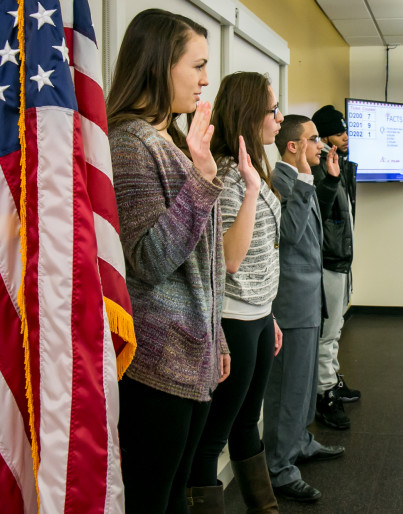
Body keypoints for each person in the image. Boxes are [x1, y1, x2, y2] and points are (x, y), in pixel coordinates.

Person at [107, 9, 229, 513]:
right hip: (156, 362)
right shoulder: (130, 143)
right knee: (153, 502)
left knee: (176, 496)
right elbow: (149, 258)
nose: (205, 79)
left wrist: (217, 335)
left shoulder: (172, 142)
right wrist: (202, 181)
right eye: (197, 66)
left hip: (192, 355)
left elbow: (205, 260)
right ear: (160, 65)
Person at [187, 72, 283, 512]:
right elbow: (230, 258)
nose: (279, 119)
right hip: (234, 320)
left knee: (248, 423)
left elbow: (267, 251)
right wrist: (248, 190)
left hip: (259, 316)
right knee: (213, 439)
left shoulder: (254, 169)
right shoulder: (228, 174)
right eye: (272, 110)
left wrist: (271, 315)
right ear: (249, 114)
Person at [262, 115, 344, 502]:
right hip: (290, 306)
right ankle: (279, 466)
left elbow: (315, 227)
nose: (322, 146)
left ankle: (300, 441)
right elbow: (290, 236)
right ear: (293, 146)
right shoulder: (280, 182)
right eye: (314, 140)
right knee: (286, 391)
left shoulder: (303, 182)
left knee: (305, 386)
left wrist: (325, 182)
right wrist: (310, 182)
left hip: (310, 301)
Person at [310, 105, 361, 430]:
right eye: (339, 131)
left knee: (336, 329)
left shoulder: (338, 166)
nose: (345, 136)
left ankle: (332, 381)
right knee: (327, 334)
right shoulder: (320, 167)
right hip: (329, 260)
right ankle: (324, 394)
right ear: (325, 135)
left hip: (342, 259)